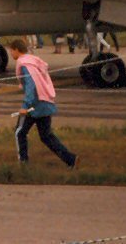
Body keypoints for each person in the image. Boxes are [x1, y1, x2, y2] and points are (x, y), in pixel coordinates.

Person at [9, 37, 78, 169]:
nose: (11, 54)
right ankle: (71, 160)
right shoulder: (33, 60)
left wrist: (25, 106)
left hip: (34, 105)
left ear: (17, 50)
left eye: (11, 51)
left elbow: (31, 85)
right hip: (46, 102)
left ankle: (23, 163)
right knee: (46, 136)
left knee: (20, 132)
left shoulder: (24, 64)